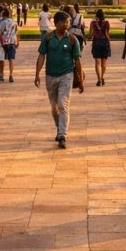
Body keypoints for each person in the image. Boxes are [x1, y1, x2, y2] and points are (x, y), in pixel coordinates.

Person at [35, 11, 84, 149]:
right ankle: (59, 127)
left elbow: (78, 60)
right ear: (58, 23)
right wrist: (37, 74)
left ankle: (62, 135)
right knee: (54, 107)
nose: (69, 24)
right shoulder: (47, 38)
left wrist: (81, 80)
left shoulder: (72, 39)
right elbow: (41, 56)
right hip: (50, 75)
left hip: (66, 75)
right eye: (67, 21)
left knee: (63, 105)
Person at [88, 9, 112, 86]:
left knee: (97, 62)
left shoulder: (93, 22)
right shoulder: (107, 23)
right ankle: (102, 77)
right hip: (105, 41)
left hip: (96, 41)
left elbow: (91, 33)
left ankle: (99, 79)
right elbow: (107, 32)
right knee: (104, 63)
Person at [0, 7, 19, 83]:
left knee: (2, 58)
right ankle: (11, 75)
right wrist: (17, 42)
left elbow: (0, 32)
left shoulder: (2, 22)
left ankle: (2, 74)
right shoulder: (14, 22)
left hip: (4, 41)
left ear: (3, 14)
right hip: (12, 41)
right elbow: (16, 32)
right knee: (11, 59)